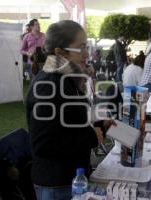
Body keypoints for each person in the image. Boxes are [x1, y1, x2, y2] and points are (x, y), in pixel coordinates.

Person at [26, 20, 115, 200]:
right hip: (56, 184)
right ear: (60, 52)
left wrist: (100, 125)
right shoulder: (48, 85)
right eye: (81, 49)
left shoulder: (66, 79)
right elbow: (43, 144)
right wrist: (91, 137)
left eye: (87, 48)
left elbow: (70, 121)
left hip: (70, 177)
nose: (86, 54)